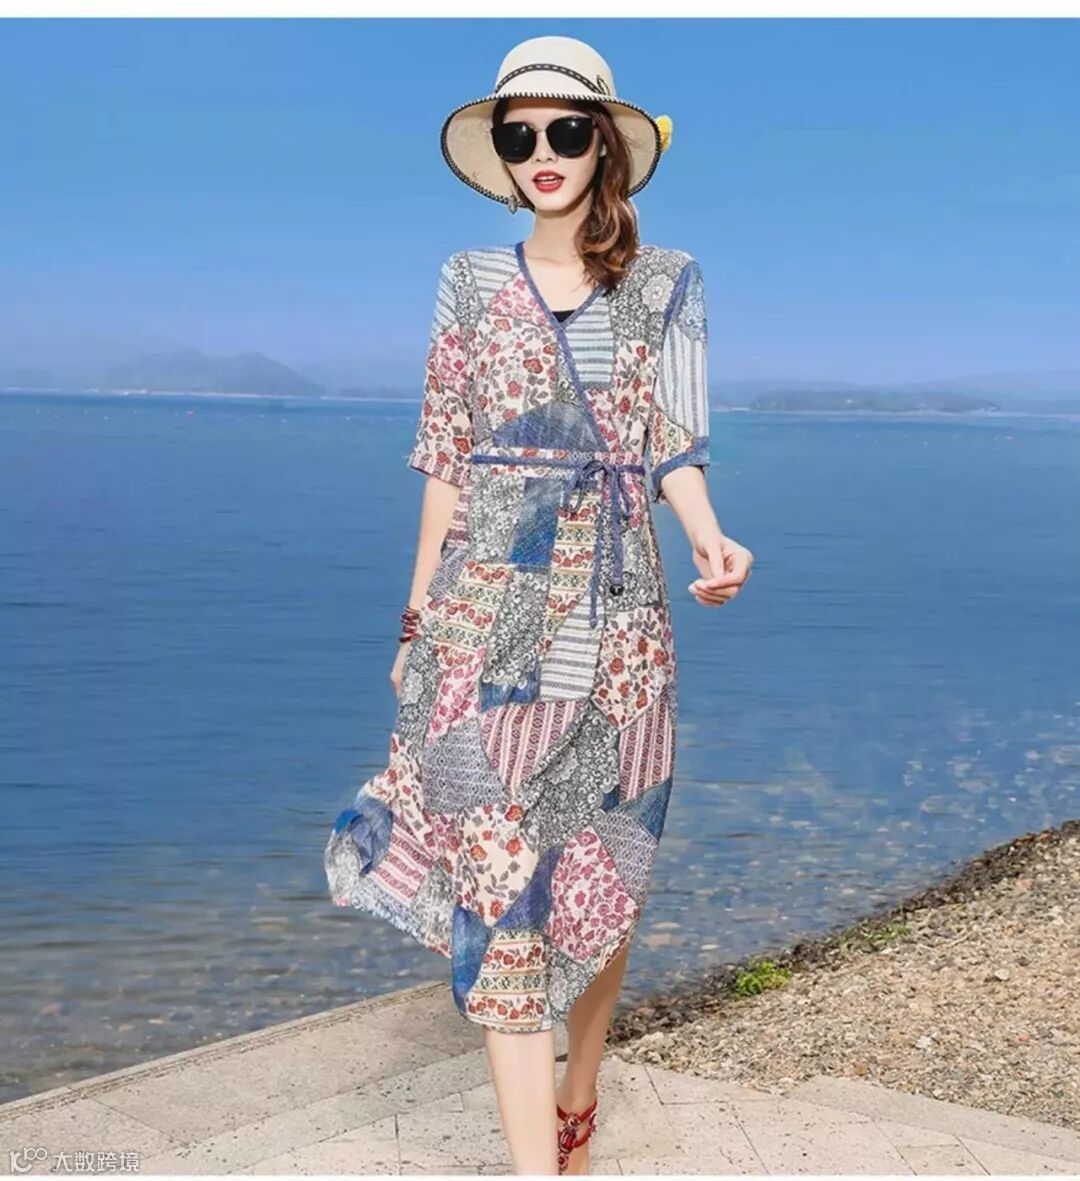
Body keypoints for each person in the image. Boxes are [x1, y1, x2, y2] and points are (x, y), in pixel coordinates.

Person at [325, 33, 754, 1175]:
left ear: (605, 142)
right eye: (520, 136)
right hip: (481, 620)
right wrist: (414, 623)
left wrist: (709, 534)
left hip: (618, 621)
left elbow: (674, 443)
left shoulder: (667, 280)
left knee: (604, 867)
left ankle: (582, 1080)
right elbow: (445, 459)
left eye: (567, 130)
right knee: (503, 890)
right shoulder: (467, 281)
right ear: (502, 154)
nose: (543, 153)